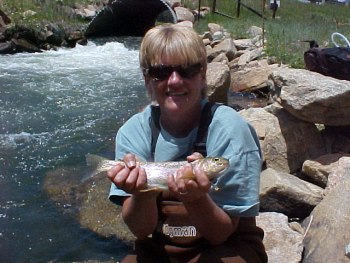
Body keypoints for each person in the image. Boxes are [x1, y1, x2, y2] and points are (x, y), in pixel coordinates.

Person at [107, 24, 267, 263]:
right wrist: (141, 194)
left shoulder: (232, 130)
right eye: (161, 72)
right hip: (160, 247)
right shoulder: (133, 132)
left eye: (187, 70)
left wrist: (197, 199)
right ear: (147, 78)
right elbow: (140, 231)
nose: (174, 81)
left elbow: (220, 234)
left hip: (228, 246)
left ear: (203, 75)